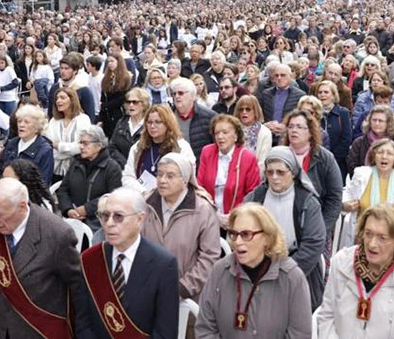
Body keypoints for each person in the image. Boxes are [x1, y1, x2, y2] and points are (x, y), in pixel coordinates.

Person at [0, 178, 82, 339]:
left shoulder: (57, 234)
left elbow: (78, 289)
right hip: (0, 331)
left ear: (21, 206)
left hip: (40, 331)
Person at [195, 202, 312, 338]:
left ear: (267, 238)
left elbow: (300, 335)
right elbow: (205, 329)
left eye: (246, 234)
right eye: (234, 234)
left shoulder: (291, 277)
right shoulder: (220, 271)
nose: (237, 241)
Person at [316, 204, 394, 338]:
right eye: (368, 234)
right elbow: (326, 316)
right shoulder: (341, 264)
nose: (372, 244)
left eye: (382, 238)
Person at [78, 187, 180, 338]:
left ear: (140, 219)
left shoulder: (164, 265)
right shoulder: (90, 259)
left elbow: (165, 332)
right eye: (105, 216)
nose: (109, 223)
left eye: (118, 216)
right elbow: (82, 323)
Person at [244, 147, 326, 310]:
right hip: (257, 269)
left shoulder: (307, 203)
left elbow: (313, 244)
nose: (274, 178)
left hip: (298, 271)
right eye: (270, 172)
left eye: (281, 172)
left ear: (293, 173)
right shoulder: (255, 197)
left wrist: (284, 273)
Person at [142, 153, 220, 302]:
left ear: (184, 180)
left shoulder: (202, 209)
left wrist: (181, 289)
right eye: (159, 175)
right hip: (148, 290)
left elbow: (210, 256)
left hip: (188, 295)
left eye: (170, 176)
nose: (162, 180)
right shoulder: (145, 204)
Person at [281, 109, 344, 232]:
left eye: (299, 127)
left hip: (315, 225)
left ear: (310, 132)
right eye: (291, 126)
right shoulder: (279, 156)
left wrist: (321, 229)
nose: (294, 130)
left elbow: (335, 198)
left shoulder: (325, 158)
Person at [345, 138, 394, 230]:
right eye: (380, 152)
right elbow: (348, 194)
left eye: (389, 153)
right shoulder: (361, 174)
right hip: (361, 235)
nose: (384, 156)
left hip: (393, 236)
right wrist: (345, 205)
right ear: (374, 155)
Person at [197, 114, 261, 227]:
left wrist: (234, 215)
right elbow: (200, 188)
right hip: (209, 217)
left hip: (239, 219)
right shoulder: (207, 152)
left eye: (225, 132)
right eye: (217, 133)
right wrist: (214, 213)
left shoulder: (247, 157)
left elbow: (253, 194)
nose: (220, 137)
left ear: (236, 136)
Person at [57, 126, 122, 231]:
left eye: (86, 143)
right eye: (80, 143)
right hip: (73, 219)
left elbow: (113, 197)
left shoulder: (112, 168)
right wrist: (68, 210)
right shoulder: (75, 163)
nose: (81, 147)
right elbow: (63, 190)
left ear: (99, 145)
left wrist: (87, 209)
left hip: (99, 223)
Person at [122, 104, 196, 193]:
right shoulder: (138, 147)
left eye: (158, 122)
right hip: (142, 198)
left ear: (168, 123)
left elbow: (186, 177)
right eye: (149, 122)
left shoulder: (181, 147)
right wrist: (144, 192)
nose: (152, 126)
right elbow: (128, 177)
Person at [0, 105, 55, 185]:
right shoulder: (11, 143)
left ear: (37, 127)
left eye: (26, 122)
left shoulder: (45, 150)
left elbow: (43, 182)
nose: (21, 125)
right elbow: (1, 170)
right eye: (19, 121)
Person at [45, 87, 92, 180]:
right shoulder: (53, 121)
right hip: (55, 172)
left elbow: (81, 147)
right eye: (56, 99)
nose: (58, 101)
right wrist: (71, 150)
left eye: (62, 98)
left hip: (78, 171)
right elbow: (50, 149)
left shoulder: (83, 119)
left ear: (72, 100)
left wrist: (59, 146)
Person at [170, 77, 217, 167]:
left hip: (201, 168)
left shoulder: (209, 117)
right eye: (174, 94)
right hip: (174, 169)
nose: (176, 96)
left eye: (181, 93)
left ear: (192, 96)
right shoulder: (167, 116)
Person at [316, 80, 353, 180]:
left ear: (333, 95)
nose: (322, 95)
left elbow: (346, 139)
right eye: (320, 92)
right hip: (317, 162)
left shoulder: (343, 113)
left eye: (326, 92)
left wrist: (332, 158)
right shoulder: (314, 113)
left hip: (338, 162)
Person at [259, 63, 306, 142]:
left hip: (289, 139)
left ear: (290, 77)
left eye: (283, 75)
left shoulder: (300, 95)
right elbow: (260, 115)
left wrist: (287, 127)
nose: (279, 78)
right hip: (268, 137)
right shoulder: (266, 94)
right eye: (276, 76)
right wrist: (265, 125)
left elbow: (303, 119)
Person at [107, 87, 149, 166]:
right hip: (121, 168)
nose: (131, 105)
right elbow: (112, 147)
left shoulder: (149, 124)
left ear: (144, 104)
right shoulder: (121, 123)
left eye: (135, 102)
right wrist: (125, 164)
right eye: (128, 102)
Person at [233, 95, 273, 176]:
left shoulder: (265, 132)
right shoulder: (232, 130)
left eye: (248, 109)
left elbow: (263, 162)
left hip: (255, 177)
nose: (244, 112)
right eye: (241, 109)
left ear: (255, 111)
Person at [98, 53, 134, 139]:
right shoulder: (106, 78)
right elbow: (103, 98)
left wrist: (106, 106)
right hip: (107, 116)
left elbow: (123, 97)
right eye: (108, 61)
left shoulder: (126, 78)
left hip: (119, 114)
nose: (110, 63)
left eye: (112, 61)